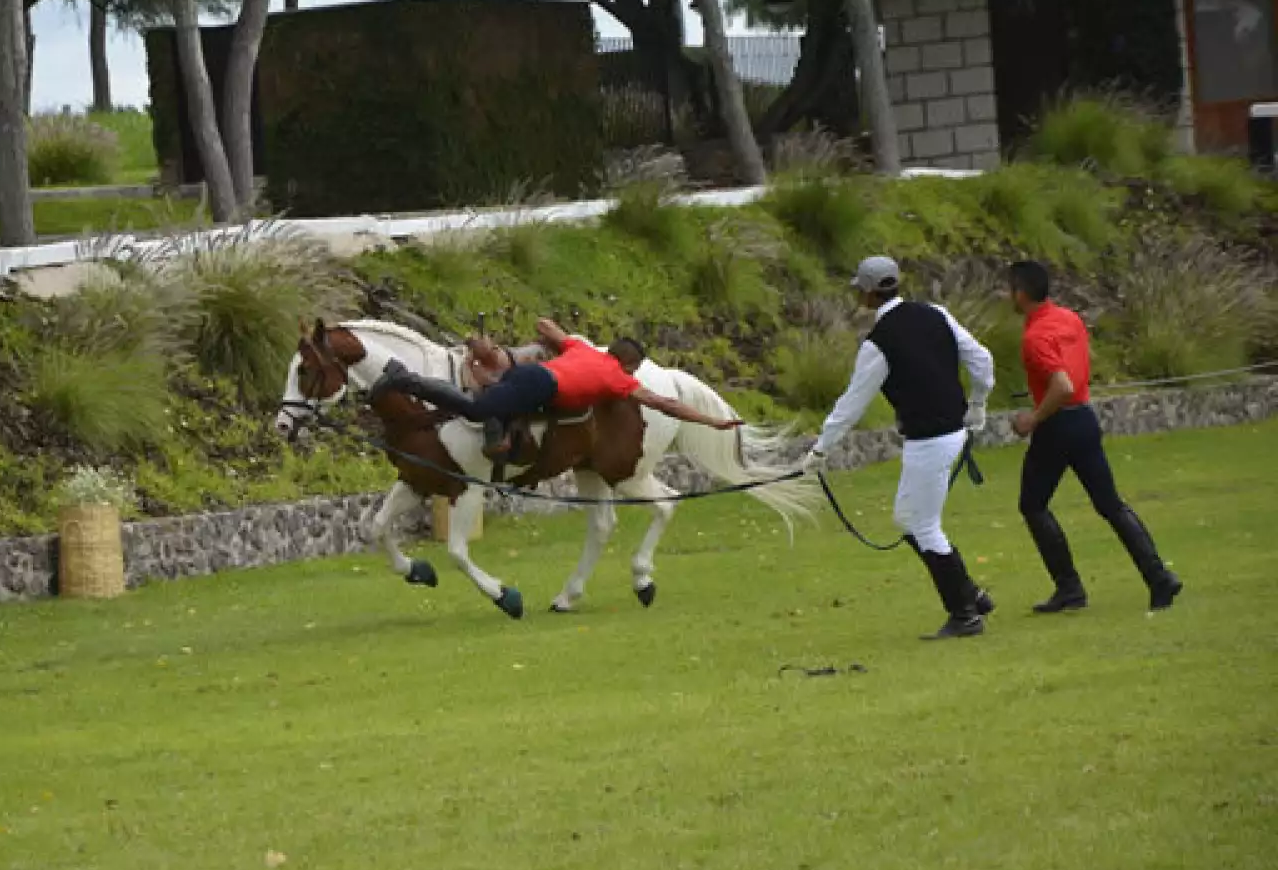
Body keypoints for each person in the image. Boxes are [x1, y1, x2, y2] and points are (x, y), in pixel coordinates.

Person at [800, 255, 996, 640]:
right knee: (908, 519)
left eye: (860, 289)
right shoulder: (936, 313)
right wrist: (977, 405)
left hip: (930, 439)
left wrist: (821, 449)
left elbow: (851, 404)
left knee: (922, 524)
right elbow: (982, 360)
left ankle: (965, 615)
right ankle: (971, 594)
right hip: (950, 431)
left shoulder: (879, 343)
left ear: (869, 293)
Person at [1008, 260, 1183, 613]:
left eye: (1008, 289)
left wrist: (1033, 419)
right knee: (1110, 504)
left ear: (1020, 294)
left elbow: (1062, 385)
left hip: (1058, 426)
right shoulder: (1070, 319)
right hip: (1085, 420)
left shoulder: (1034, 337)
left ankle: (1069, 588)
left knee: (1032, 504)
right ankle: (1158, 576)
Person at [372, 318, 741, 461]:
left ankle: (493, 439)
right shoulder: (619, 378)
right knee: (474, 409)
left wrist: (548, 333)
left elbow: (545, 326)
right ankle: (402, 379)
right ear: (629, 364)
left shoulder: (580, 348)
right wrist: (712, 421)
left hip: (533, 376)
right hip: (539, 386)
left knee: (488, 410)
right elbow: (665, 403)